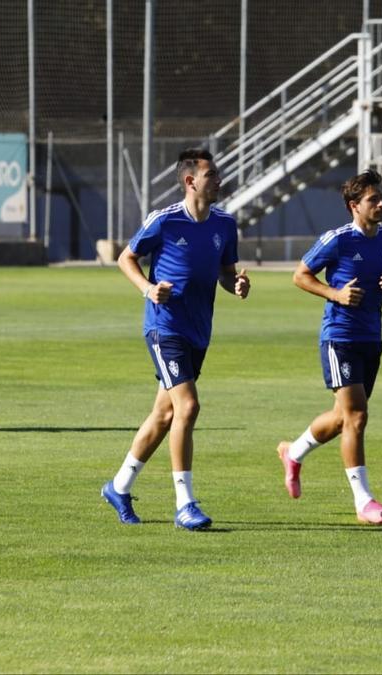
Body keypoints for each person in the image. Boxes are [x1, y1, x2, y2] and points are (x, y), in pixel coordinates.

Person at [101, 148, 250, 530]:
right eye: (212, 174)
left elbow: (225, 273)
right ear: (190, 181)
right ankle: (185, 503)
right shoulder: (164, 221)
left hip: (199, 329)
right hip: (163, 328)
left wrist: (237, 284)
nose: (219, 179)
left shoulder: (224, 224)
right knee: (188, 408)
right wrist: (148, 289)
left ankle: (119, 486)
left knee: (165, 414)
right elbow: (125, 259)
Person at [275, 169, 382, 525]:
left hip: (371, 338)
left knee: (341, 418)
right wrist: (335, 294)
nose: (381, 204)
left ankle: (294, 451)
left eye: (381, 198)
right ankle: (364, 502)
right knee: (357, 417)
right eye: (373, 200)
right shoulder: (337, 240)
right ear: (354, 206)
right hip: (339, 337)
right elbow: (300, 275)